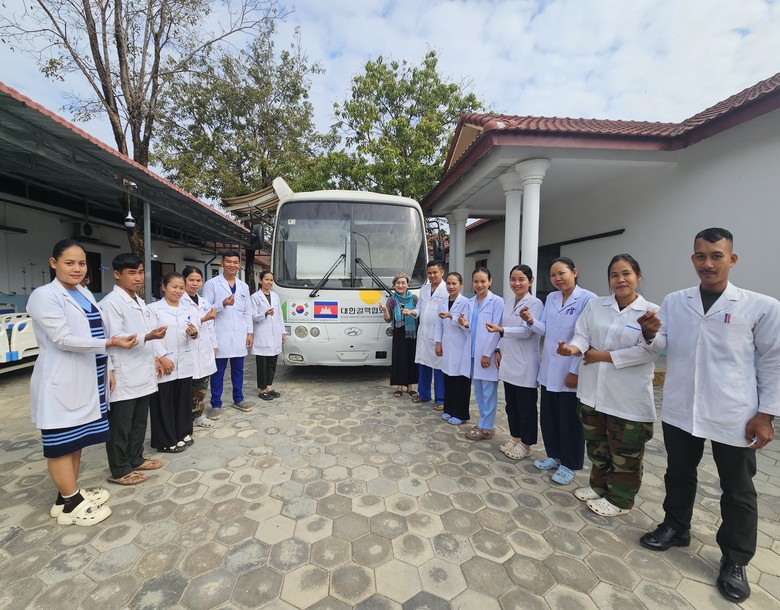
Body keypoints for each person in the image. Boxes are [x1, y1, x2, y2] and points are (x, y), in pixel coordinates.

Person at [638, 228, 780, 604]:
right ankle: (676, 527)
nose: (708, 263)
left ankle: (735, 560)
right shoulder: (675, 301)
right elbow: (662, 342)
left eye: (716, 256)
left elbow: (774, 359)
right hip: (682, 407)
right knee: (678, 473)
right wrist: (650, 333)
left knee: (737, 489)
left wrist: (766, 414)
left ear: (732, 259)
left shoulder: (760, 306)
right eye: (701, 256)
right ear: (693, 259)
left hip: (734, 412)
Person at [27, 239, 137, 526]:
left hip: (89, 376)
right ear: (54, 263)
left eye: (81, 263)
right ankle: (72, 503)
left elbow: (96, 330)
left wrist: (108, 366)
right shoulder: (44, 296)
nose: (77, 269)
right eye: (69, 263)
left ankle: (66, 496)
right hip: (61, 379)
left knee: (76, 440)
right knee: (61, 443)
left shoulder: (83, 293)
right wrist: (111, 343)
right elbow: (62, 338)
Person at [556, 254, 660, 516]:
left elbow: (648, 352)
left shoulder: (651, 312)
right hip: (593, 391)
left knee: (625, 452)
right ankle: (599, 487)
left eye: (626, 274)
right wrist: (572, 349)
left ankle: (621, 500)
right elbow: (582, 335)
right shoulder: (596, 306)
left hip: (626, 397)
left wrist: (601, 356)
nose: (620, 280)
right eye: (614, 275)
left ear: (638, 277)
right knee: (598, 446)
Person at [521, 257, 596, 485]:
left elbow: (586, 337)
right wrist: (531, 320)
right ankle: (554, 456)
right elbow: (545, 328)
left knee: (569, 420)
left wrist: (574, 371)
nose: (557, 279)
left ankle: (569, 463)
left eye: (561, 273)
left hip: (570, 368)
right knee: (549, 417)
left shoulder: (588, 299)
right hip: (549, 368)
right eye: (553, 275)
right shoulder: (552, 297)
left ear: (574, 272)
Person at [99, 253, 167, 485]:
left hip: (142, 369)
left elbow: (147, 332)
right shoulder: (111, 303)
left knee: (139, 421)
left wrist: (156, 358)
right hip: (123, 372)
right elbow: (115, 337)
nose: (138, 278)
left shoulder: (139, 301)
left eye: (140, 272)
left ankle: (136, 458)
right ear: (117, 274)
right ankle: (119, 468)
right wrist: (147, 337)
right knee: (121, 424)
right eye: (132, 273)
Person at [486, 264, 543, 459]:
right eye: (513, 279)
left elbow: (527, 332)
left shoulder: (535, 303)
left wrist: (502, 331)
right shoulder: (509, 302)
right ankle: (515, 438)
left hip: (525, 364)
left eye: (521, 279)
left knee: (526, 407)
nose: (516, 283)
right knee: (511, 405)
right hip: (509, 360)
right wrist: (498, 349)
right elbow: (503, 329)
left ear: (530, 281)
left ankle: (526, 444)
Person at [147, 272, 200, 453]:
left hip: (183, 360)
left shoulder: (187, 309)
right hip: (163, 361)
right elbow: (150, 335)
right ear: (164, 287)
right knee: (164, 401)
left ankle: (182, 432)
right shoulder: (153, 309)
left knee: (182, 399)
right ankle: (165, 440)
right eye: (174, 287)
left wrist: (194, 334)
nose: (178, 291)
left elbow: (195, 332)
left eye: (181, 288)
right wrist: (162, 358)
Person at [202, 251, 255, 418]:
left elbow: (247, 311)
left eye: (235, 262)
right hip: (220, 333)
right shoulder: (212, 284)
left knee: (238, 370)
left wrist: (250, 332)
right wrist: (222, 304)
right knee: (218, 372)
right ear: (222, 263)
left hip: (239, 333)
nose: (232, 265)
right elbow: (205, 308)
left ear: (239, 265)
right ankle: (216, 404)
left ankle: (238, 399)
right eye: (229, 262)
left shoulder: (243, 286)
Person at [461, 267, 503, 441]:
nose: (479, 285)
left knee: (488, 392)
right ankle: (483, 423)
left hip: (487, 354)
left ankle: (487, 428)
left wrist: (488, 354)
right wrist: (465, 324)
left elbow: (496, 331)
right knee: (478, 392)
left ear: (490, 281)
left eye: (483, 281)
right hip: (473, 353)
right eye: (476, 281)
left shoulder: (497, 302)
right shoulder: (470, 302)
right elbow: (472, 327)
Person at [182, 266, 218, 428]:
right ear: (184, 280)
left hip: (204, 348)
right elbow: (183, 325)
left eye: (198, 280)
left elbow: (210, 327)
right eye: (191, 280)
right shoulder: (179, 302)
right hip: (187, 348)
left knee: (201, 386)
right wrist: (203, 319)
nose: (195, 283)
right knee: (188, 387)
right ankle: (185, 417)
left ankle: (198, 415)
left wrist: (214, 345)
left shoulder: (204, 302)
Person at [434, 272, 472, 425]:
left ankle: (461, 414)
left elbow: (467, 326)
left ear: (461, 284)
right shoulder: (442, 302)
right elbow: (438, 324)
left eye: (454, 283)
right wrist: (438, 342)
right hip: (447, 346)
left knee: (460, 382)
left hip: (461, 347)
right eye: (448, 283)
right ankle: (449, 409)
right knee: (448, 379)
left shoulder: (466, 303)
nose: (451, 286)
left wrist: (452, 317)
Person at [379, 272, 419, 399]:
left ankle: (410, 386)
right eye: (398, 283)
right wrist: (385, 311)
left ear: (407, 284)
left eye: (403, 283)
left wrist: (410, 312)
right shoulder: (391, 300)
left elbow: (418, 313)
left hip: (412, 333)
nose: (400, 285)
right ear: (394, 285)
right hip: (398, 332)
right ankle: (399, 386)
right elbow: (388, 319)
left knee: (411, 358)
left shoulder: (414, 299)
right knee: (399, 359)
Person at [414, 260, 447, 409]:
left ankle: (441, 399)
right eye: (429, 273)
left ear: (442, 272)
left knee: (439, 367)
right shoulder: (424, 288)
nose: (432, 275)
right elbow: (419, 307)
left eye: (435, 272)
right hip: (424, 332)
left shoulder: (446, 289)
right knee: (424, 364)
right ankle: (424, 394)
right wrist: (412, 312)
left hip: (438, 334)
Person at [251, 270, 286, 400]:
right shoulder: (255, 297)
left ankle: (269, 387)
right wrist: (264, 314)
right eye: (267, 279)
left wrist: (282, 332)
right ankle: (262, 389)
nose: (269, 282)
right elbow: (252, 317)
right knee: (262, 364)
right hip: (262, 335)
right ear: (260, 281)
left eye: (271, 280)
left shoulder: (275, 296)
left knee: (272, 363)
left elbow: (279, 315)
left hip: (275, 334)